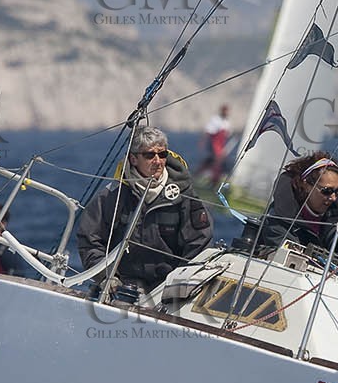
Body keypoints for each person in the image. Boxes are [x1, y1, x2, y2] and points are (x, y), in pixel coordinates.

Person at [78, 126, 214, 299]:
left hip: (168, 289)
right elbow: (89, 239)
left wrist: (177, 285)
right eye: (150, 155)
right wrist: (106, 277)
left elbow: (199, 242)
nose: (157, 161)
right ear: (133, 159)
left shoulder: (183, 194)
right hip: (122, 286)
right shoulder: (114, 194)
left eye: (162, 154)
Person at [251, 154, 338, 253]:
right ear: (307, 185)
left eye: (337, 191)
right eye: (327, 191)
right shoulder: (279, 218)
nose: (333, 198)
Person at [199, 103, 232, 187]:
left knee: (218, 163)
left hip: (221, 146)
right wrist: (203, 143)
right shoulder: (216, 120)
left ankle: (215, 180)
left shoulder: (226, 122)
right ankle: (209, 180)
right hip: (214, 145)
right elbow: (209, 132)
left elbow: (226, 136)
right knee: (215, 162)